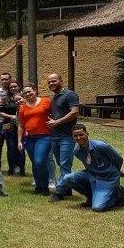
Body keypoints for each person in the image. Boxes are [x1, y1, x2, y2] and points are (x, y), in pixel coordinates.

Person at [63, 124, 124, 212]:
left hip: (108, 179)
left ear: (87, 134)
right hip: (93, 177)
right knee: (67, 178)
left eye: (81, 134)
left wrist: (116, 172)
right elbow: (88, 166)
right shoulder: (77, 152)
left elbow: (118, 159)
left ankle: (117, 193)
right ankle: (91, 197)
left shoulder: (101, 146)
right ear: (72, 137)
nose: (78, 138)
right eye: (75, 136)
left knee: (98, 208)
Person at [47, 73, 80, 202]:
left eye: (54, 81)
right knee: (61, 164)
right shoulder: (55, 97)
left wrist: (57, 122)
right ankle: (68, 188)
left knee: (65, 164)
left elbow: (75, 112)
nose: (51, 84)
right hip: (55, 136)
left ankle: (59, 192)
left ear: (61, 80)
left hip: (67, 136)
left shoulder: (69, 95)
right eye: (49, 82)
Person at [17, 84, 52, 195]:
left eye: (29, 91)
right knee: (34, 163)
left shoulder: (46, 101)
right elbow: (21, 125)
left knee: (39, 161)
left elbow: (54, 114)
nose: (27, 94)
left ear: (35, 90)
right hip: (29, 138)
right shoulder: (22, 108)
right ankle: (38, 186)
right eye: (25, 93)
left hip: (44, 137)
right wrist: (19, 141)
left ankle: (45, 186)